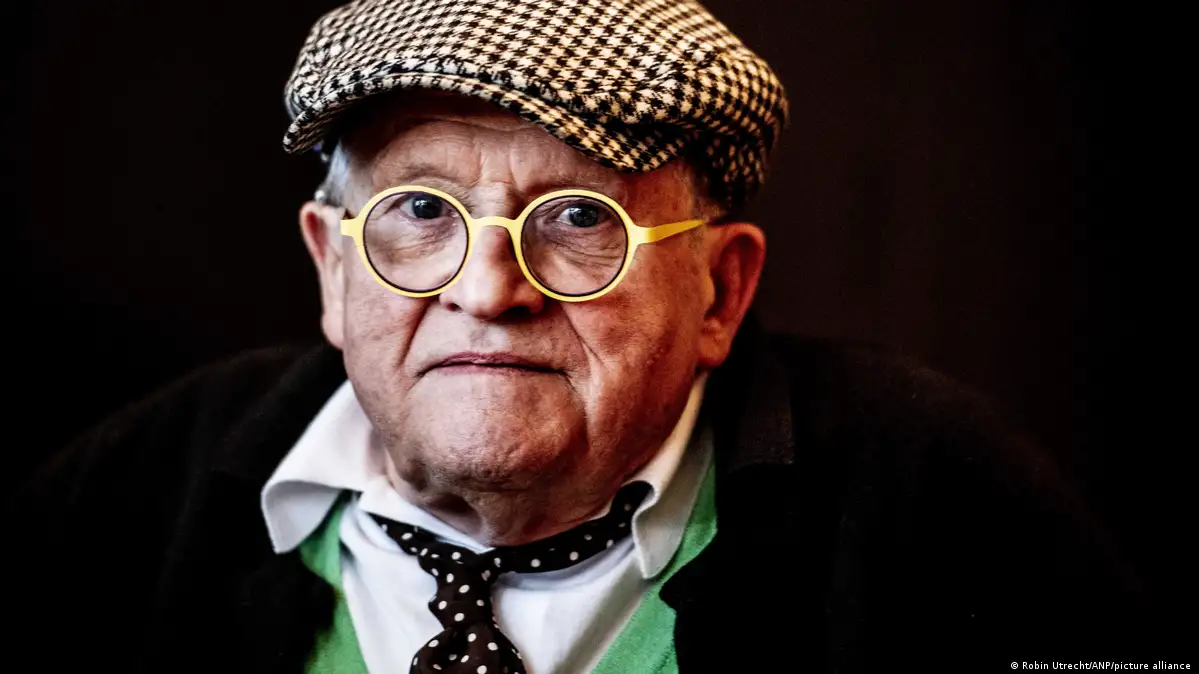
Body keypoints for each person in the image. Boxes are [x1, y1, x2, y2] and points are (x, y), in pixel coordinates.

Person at [10, 0, 1146, 671]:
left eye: (576, 219)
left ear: (719, 291)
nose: (487, 288)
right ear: (332, 265)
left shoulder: (934, 495)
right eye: (421, 210)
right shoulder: (129, 493)